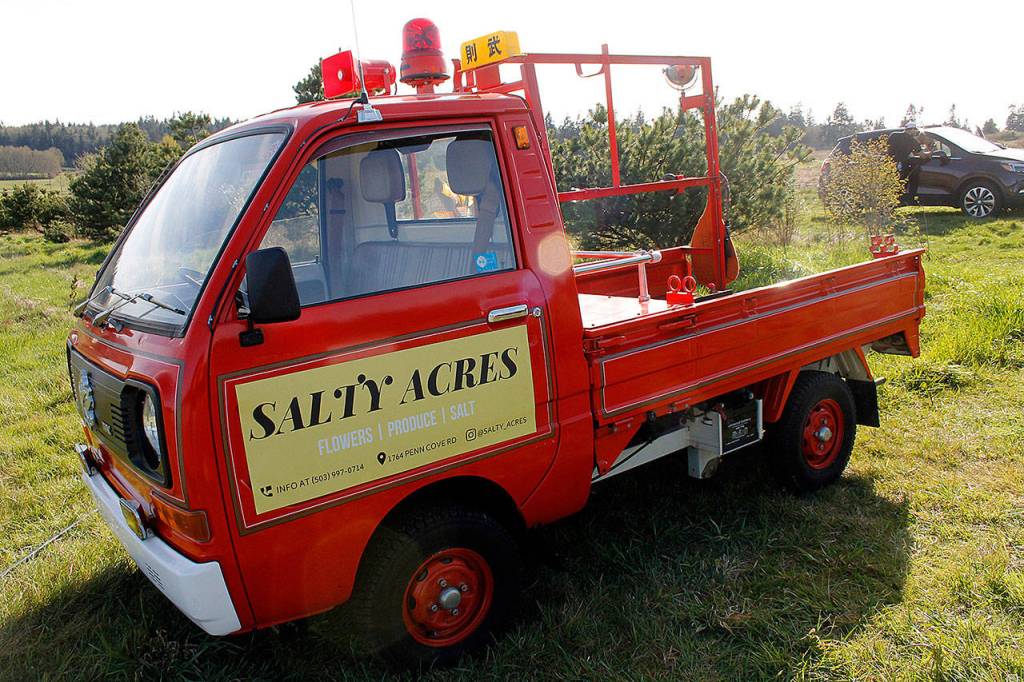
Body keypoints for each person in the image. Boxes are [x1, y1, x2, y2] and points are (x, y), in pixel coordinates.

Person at [887, 124, 931, 203]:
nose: (915, 132)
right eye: (915, 130)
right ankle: (909, 199)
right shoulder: (912, 140)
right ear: (911, 130)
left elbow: (886, 147)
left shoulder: (893, 135)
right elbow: (923, 156)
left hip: (889, 164)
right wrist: (930, 152)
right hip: (902, 165)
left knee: (892, 185)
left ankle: (891, 202)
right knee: (912, 177)